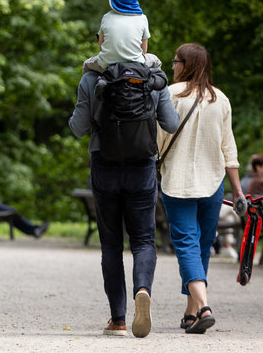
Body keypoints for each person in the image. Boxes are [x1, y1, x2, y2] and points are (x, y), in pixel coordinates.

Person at [69, 54, 179, 338]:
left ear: (103, 41)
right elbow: (171, 123)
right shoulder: (154, 79)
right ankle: (142, 289)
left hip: (104, 165)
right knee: (143, 240)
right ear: (142, 42)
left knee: (111, 245)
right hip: (141, 166)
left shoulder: (92, 77)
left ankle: (117, 320)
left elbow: (78, 128)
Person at [156, 43, 243, 335]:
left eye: (175, 61)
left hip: (177, 183)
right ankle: (191, 313)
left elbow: (157, 142)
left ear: (186, 64)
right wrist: (238, 191)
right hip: (212, 184)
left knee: (186, 244)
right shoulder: (221, 99)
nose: (172, 66)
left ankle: (203, 306)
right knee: (202, 244)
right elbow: (228, 149)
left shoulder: (169, 95)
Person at [82, 0, 155, 73]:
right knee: (155, 60)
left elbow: (101, 47)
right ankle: (154, 86)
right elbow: (144, 50)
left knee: (87, 64)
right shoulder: (142, 18)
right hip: (137, 64)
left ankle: (92, 87)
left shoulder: (106, 18)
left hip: (106, 65)